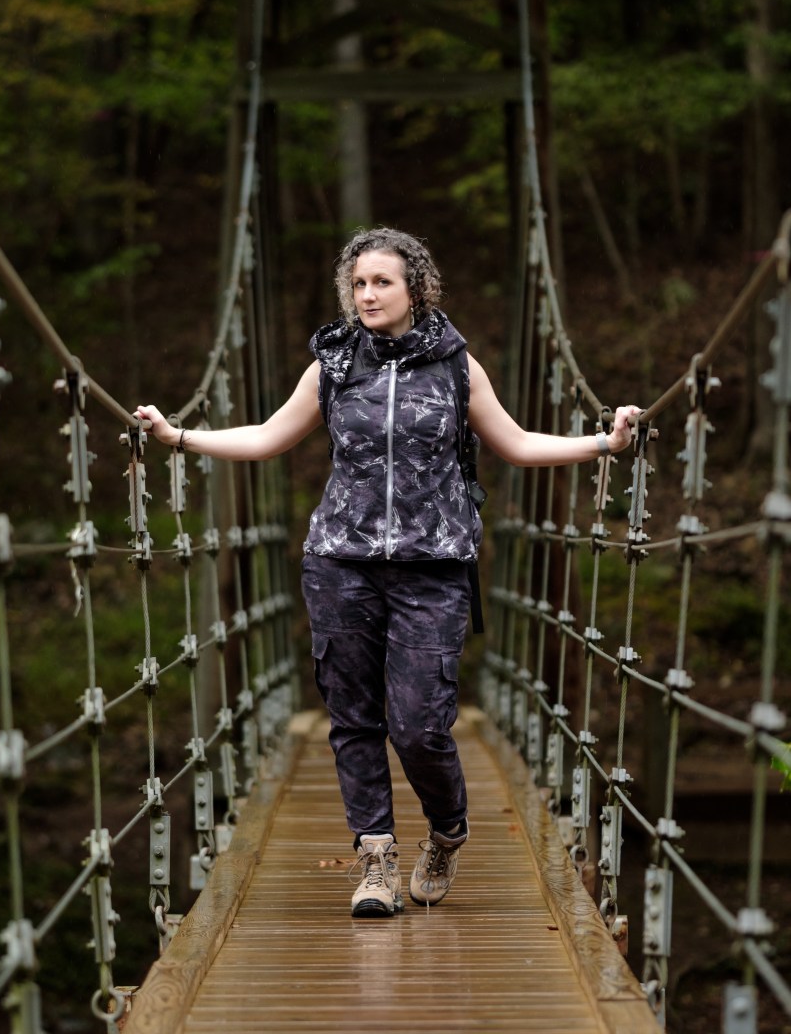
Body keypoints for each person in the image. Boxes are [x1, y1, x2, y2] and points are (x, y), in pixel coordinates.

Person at [137, 227, 640, 920]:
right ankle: (374, 858)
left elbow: (518, 444)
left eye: (381, 282)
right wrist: (178, 436)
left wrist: (604, 442)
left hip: (433, 567)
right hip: (339, 562)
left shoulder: (457, 366)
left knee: (419, 726)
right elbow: (267, 437)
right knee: (352, 718)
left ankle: (447, 831)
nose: (367, 295)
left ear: (415, 288)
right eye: (358, 283)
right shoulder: (333, 364)